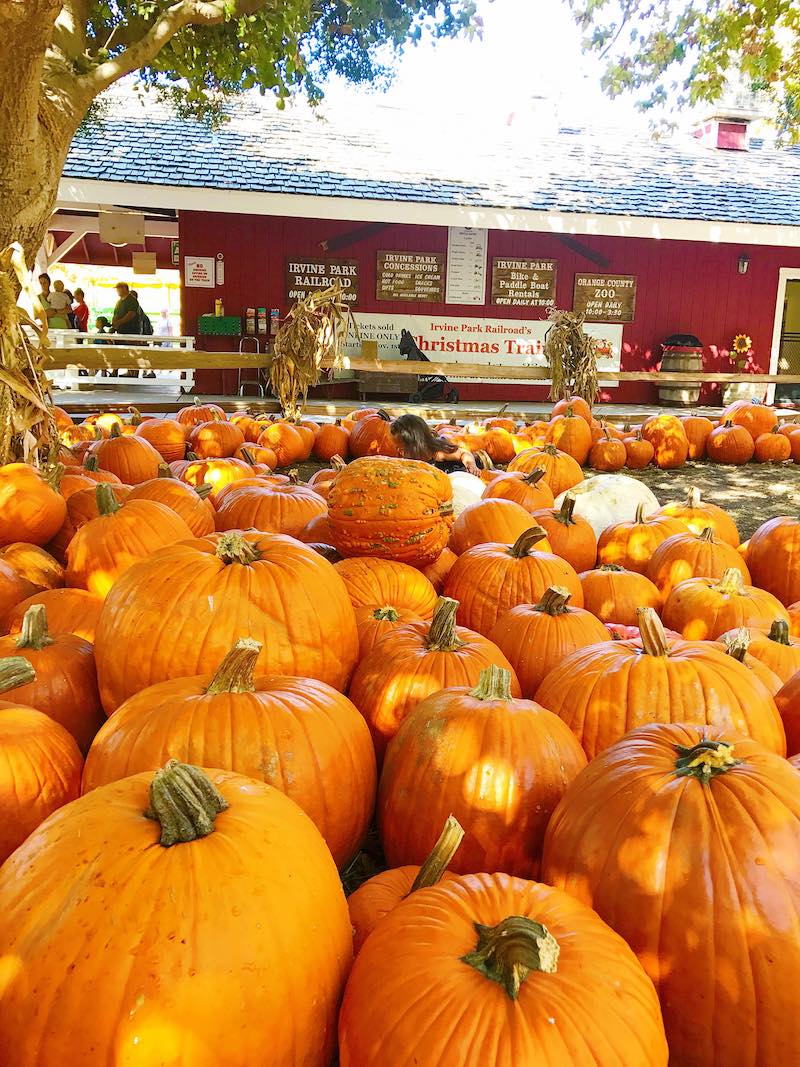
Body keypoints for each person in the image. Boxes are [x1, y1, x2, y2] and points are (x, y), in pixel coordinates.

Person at [390, 413, 478, 474]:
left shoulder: (437, 452)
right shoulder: (410, 458)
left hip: (456, 479)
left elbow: (463, 453)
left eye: (402, 449)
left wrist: (470, 465)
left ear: (417, 443)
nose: (399, 452)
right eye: (396, 447)